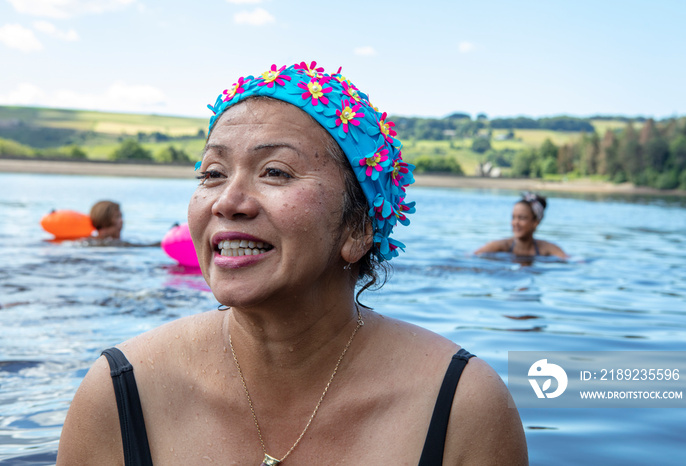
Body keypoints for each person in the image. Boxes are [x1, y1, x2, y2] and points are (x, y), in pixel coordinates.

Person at [57, 61, 528, 465]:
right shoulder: (121, 391)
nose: (228, 201)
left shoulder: (461, 406)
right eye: (212, 173)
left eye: (275, 172)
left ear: (358, 229)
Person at [475, 192, 567, 259]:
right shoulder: (501, 246)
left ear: (536, 222)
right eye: (513, 217)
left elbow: (569, 259)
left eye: (522, 218)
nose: (515, 223)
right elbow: (472, 256)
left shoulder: (546, 248)